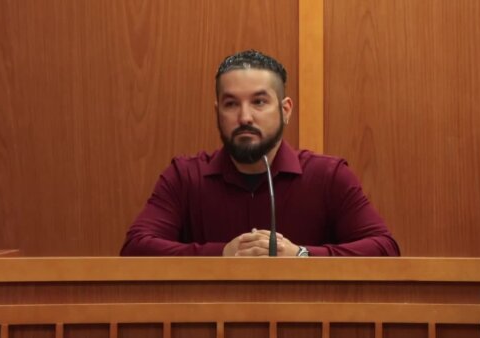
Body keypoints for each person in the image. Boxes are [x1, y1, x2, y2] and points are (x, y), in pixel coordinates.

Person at [120, 50, 400, 257]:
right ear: (217, 112)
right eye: (231, 104)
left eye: (259, 102)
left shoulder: (328, 175)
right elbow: (135, 247)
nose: (244, 117)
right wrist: (221, 255)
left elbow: (384, 248)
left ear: (285, 110)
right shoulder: (184, 176)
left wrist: (302, 256)